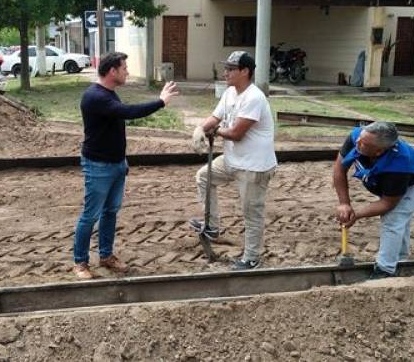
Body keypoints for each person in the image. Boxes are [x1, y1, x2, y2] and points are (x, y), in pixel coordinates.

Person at [73, 52, 179, 279]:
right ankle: (80, 263)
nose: (127, 72)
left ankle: (106, 256)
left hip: (116, 164)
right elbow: (129, 113)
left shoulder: (109, 94)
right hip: (98, 166)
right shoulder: (96, 97)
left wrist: (122, 160)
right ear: (112, 71)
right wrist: (160, 102)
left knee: (110, 212)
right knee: (90, 215)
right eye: (124, 68)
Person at [190, 51, 277, 270]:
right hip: (233, 160)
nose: (225, 72)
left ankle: (252, 258)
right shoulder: (230, 93)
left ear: (245, 71)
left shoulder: (254, 97)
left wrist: (214, 131)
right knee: (203, 176)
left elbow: (237, 133)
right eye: (226, 68)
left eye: (230, 69)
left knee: (251, 213)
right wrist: (201, 127)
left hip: (253, 166)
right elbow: (215, 117)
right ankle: (212, 226)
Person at [333, 121, 414, 279]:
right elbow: (339, 168)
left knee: (394, 217)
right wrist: (344, 203)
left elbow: (388, 203)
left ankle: (385, 271)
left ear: (379, 151)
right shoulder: (357, 136)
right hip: (385, 180)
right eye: (360, 138)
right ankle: (400, 258)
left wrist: (357, 215)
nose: (358, 143)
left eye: (364, 143)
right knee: (399, 218)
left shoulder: (399, 164)